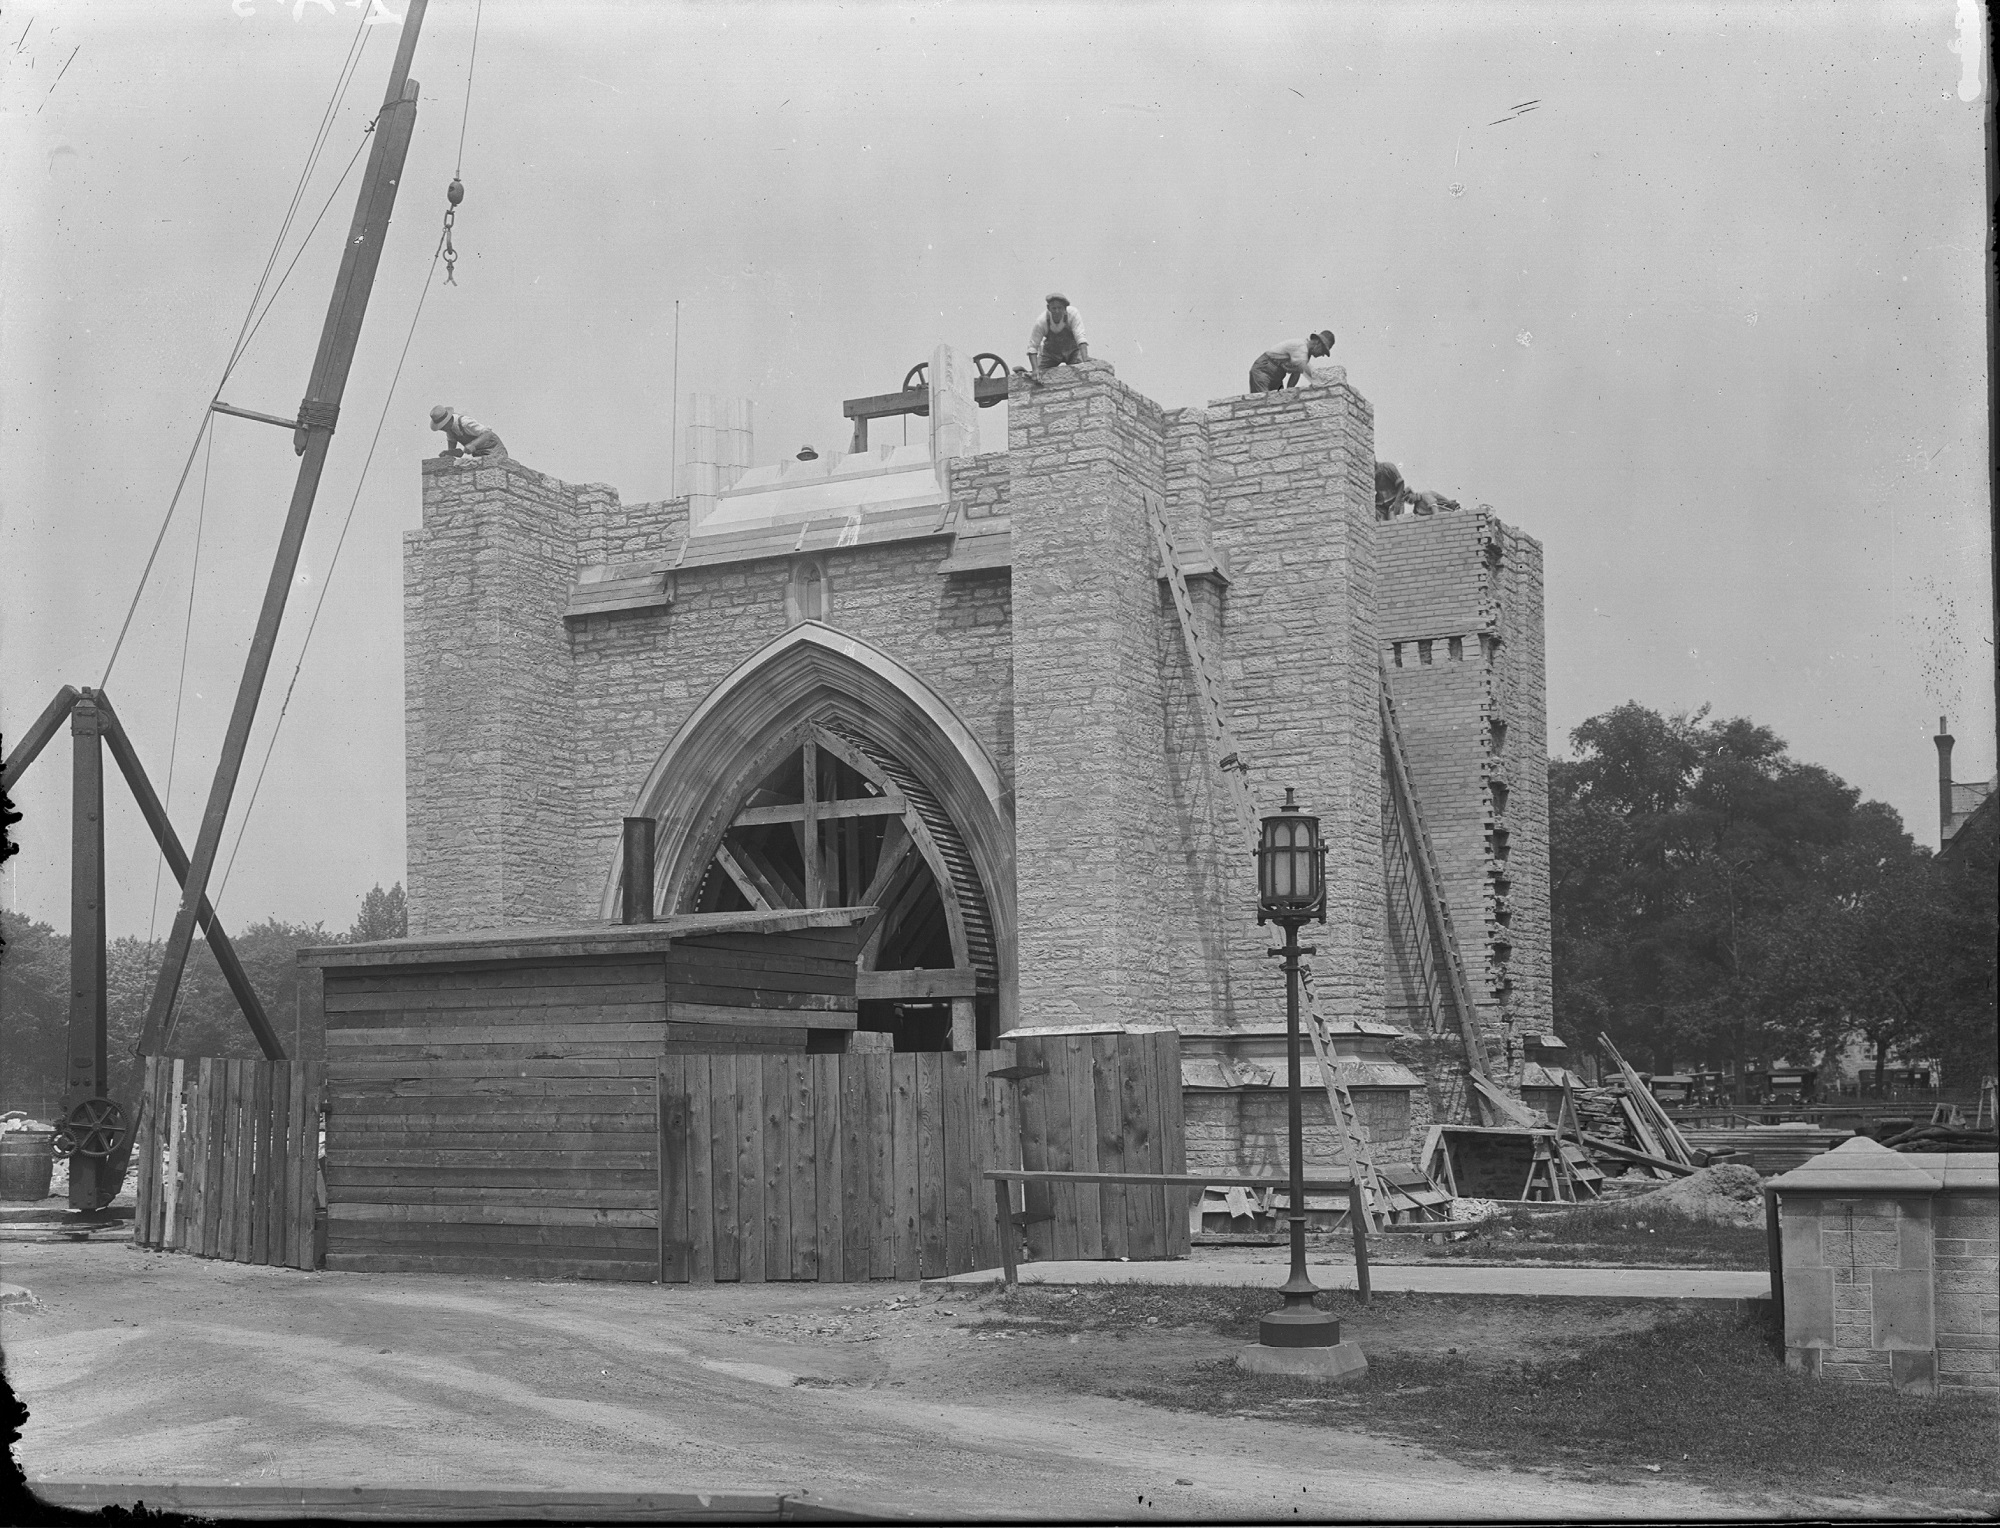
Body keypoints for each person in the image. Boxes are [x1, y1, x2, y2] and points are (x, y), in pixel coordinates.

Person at [1249, 330, 1334, 392]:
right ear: (1318, 343)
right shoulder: (1301, 347)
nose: (1322, 354)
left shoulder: (1305, 357)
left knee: (1279, 404)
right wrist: (1321, 382)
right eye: (1323, 351)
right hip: (1264, 370)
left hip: (1277, 377)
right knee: (1264, 403)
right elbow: (1304, 367)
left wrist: (1289, 391)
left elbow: (1296, 373)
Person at [1028, 293, 1088, 371]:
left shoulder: (1073, 314)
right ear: (1048, 308)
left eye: (1060, 308)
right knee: (1039, 373)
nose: (1057, 311)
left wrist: (1085, 360)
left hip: (1072, 351)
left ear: (1065, 308)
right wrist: (1035, 370)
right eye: (1054, 308)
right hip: (1051, 354)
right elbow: (1032, 347)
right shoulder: (1042, 321)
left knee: (1081, 370)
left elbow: (1080, 337)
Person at [429, 404, 507, 462]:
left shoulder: (465, 422)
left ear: (447, 422)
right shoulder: (450, 431)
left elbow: (488, 434)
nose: (442, 429)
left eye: (442, 427)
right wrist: (449, 454)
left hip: (494, 450)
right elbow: (452, 449)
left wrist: (473, 444)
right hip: (479, 454)